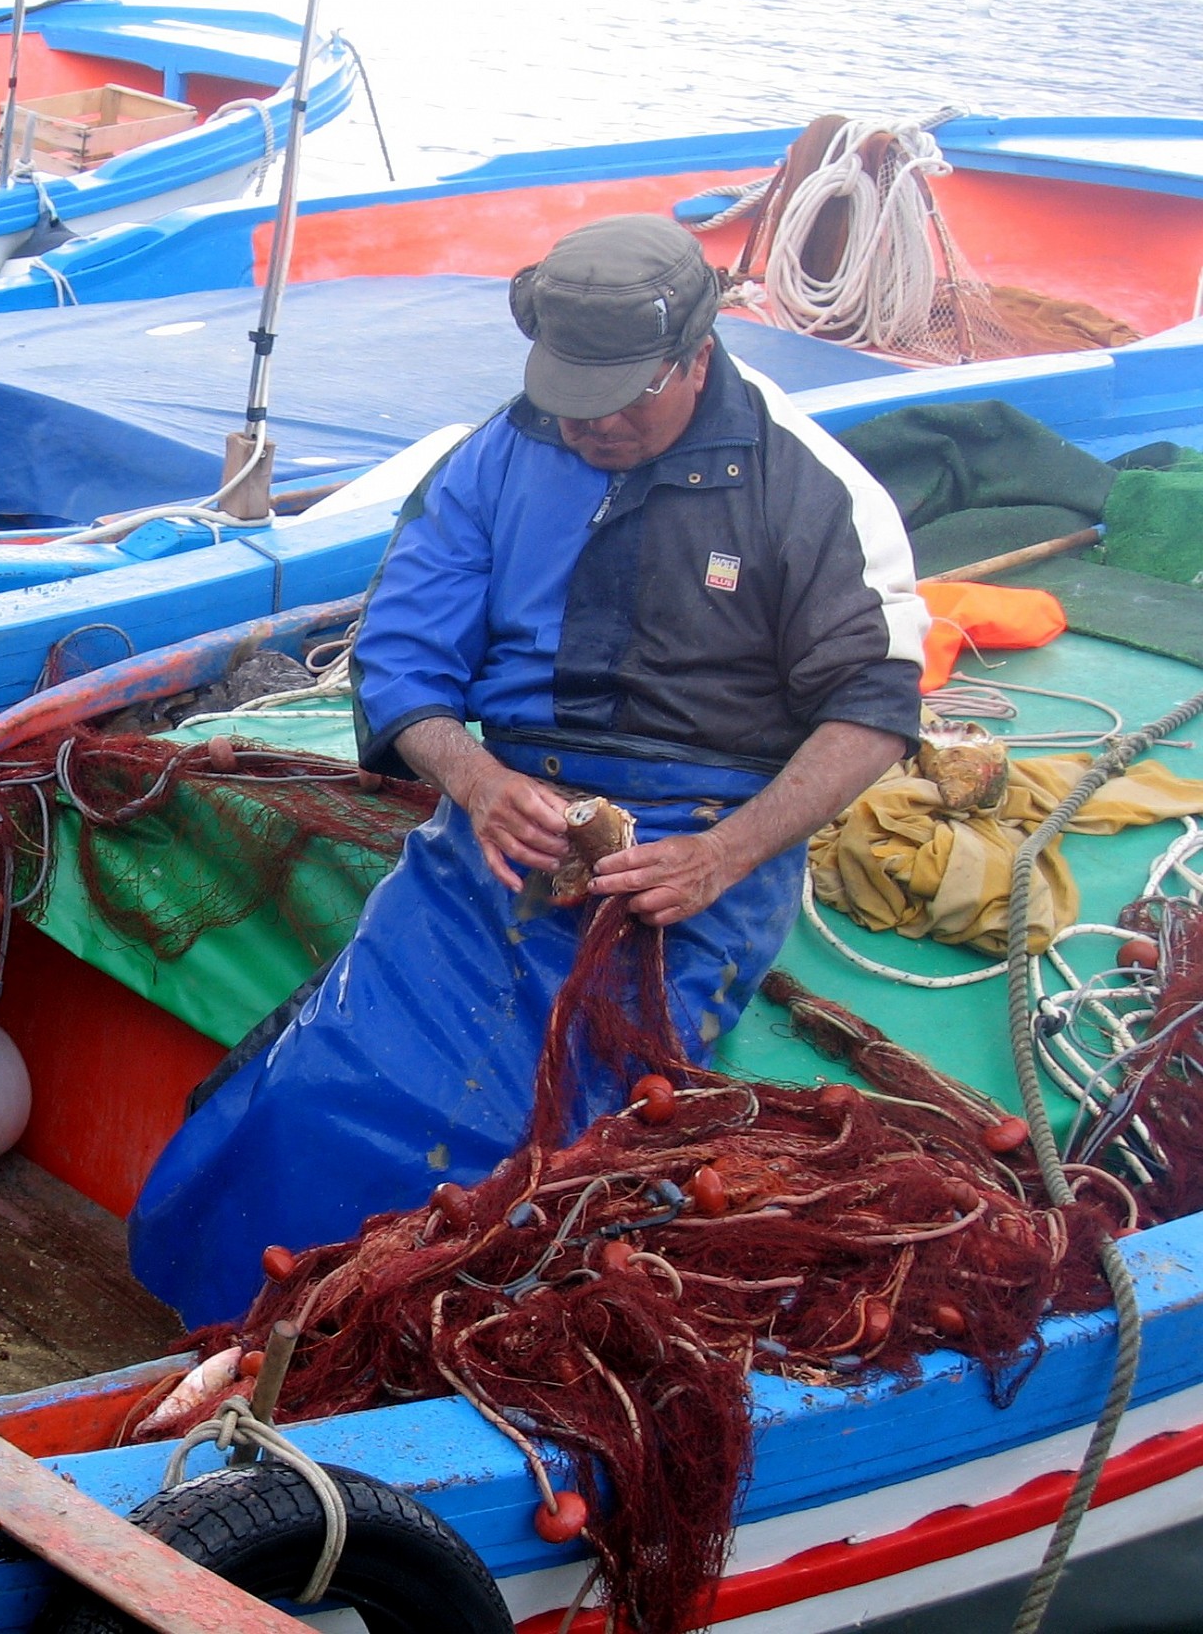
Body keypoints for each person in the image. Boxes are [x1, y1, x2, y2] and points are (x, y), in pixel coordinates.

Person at [129, 215, 930, 1326]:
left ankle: (432, 1360)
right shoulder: (498, 454)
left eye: (621, 399)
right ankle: (231, 1333)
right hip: (493, 833)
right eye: (568, 396)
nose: (590, 423)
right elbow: (401, 656)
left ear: (697, 357)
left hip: (691, 859)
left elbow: (873, 710)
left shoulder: (811, 487)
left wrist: (724, 855)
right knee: (317, 1089)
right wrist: (474, 782)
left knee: (545, 1162)